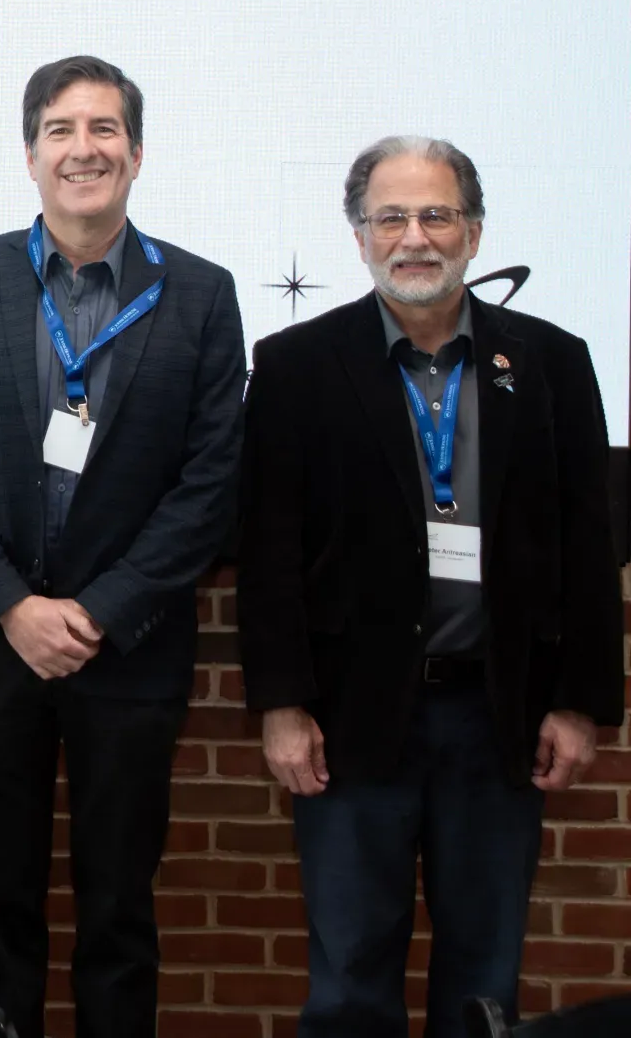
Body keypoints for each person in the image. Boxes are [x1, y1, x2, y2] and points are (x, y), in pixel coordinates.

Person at [237, 136, 622, 1038]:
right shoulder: (297, 364)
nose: (415, 237)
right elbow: (269, 548)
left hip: (500, 719)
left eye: (437, 215)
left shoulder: (552, 362)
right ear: (361, 236)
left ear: (475, 233)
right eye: (391, 217)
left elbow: (586, 543)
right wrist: (282, 704)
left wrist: (580, 704)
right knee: (347, 986)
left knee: (483, 983)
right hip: (349, 722)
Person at [0, 55, 246, 1038]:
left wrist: (98, 608)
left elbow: (207, 484)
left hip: (127, 653)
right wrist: (11, 604)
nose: (81, 147)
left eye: (103, 129)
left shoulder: (199, 293)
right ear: (29, 154)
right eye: (59, 128)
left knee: (117, 907)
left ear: (135, 154)